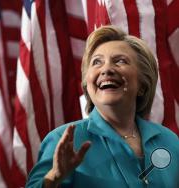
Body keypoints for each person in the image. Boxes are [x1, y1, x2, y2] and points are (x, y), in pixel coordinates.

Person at [25, 25, 179, 188]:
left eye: (120, 61)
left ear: (142, 84)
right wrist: (53, 177)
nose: (106, 69)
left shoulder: (169, 141)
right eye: (97, 62)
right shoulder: (63, 140)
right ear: (87, 84)